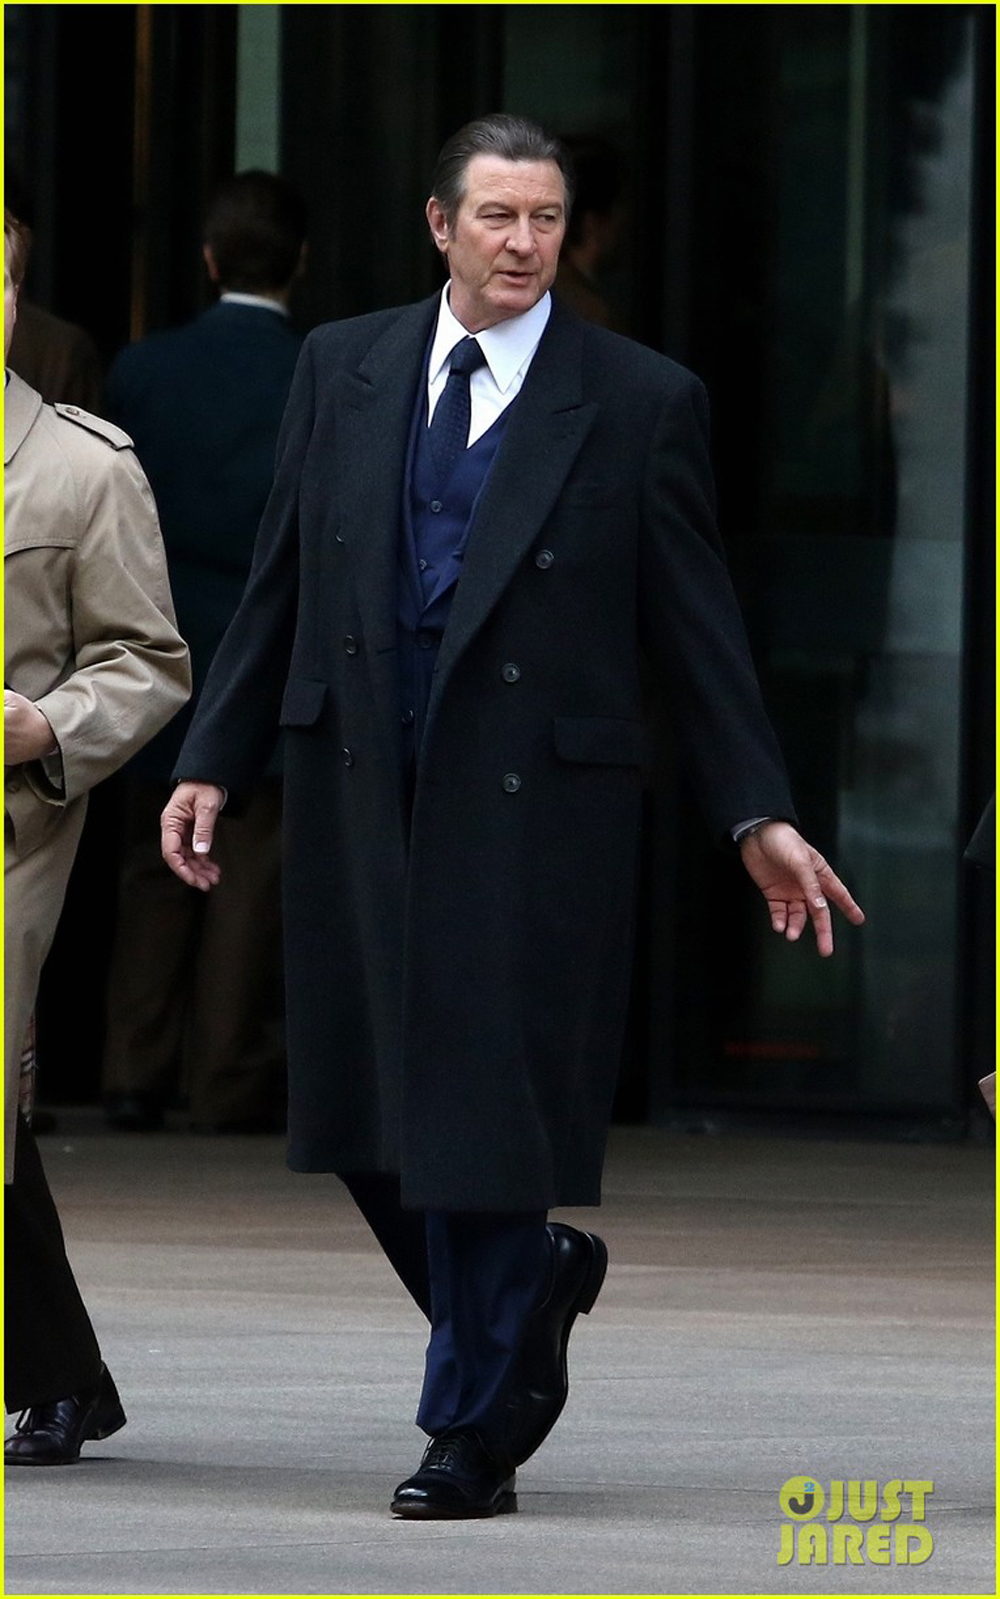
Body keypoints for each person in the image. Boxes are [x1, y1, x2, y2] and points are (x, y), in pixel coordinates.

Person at [162, 114, 865, 1519]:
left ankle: (469, 1430)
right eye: (497, 216)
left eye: (545, 218)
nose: (524, 242)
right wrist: (211, 759)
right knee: (359, 1114)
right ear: (441, 226)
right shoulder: (341, 364)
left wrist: (756, 812)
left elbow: (698, 627)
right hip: (362, 781)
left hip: (535, 806)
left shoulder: (641, 397)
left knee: (481, 1116)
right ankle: (530, 1286)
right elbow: (282, 577)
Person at [3, 209, 190, 1465]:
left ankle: (61, 1372)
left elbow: (149, 660)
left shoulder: (85, 468)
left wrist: (48, 726)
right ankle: (64, 1372)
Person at [102, 171, 306, 1133]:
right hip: (268, 653)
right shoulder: (315, 369)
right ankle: (226, 1082)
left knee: (154, 865)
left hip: (159, 646)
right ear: (299, 262)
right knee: (247, 875)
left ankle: (132, 1071)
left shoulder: (144, 369)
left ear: (210, 259)